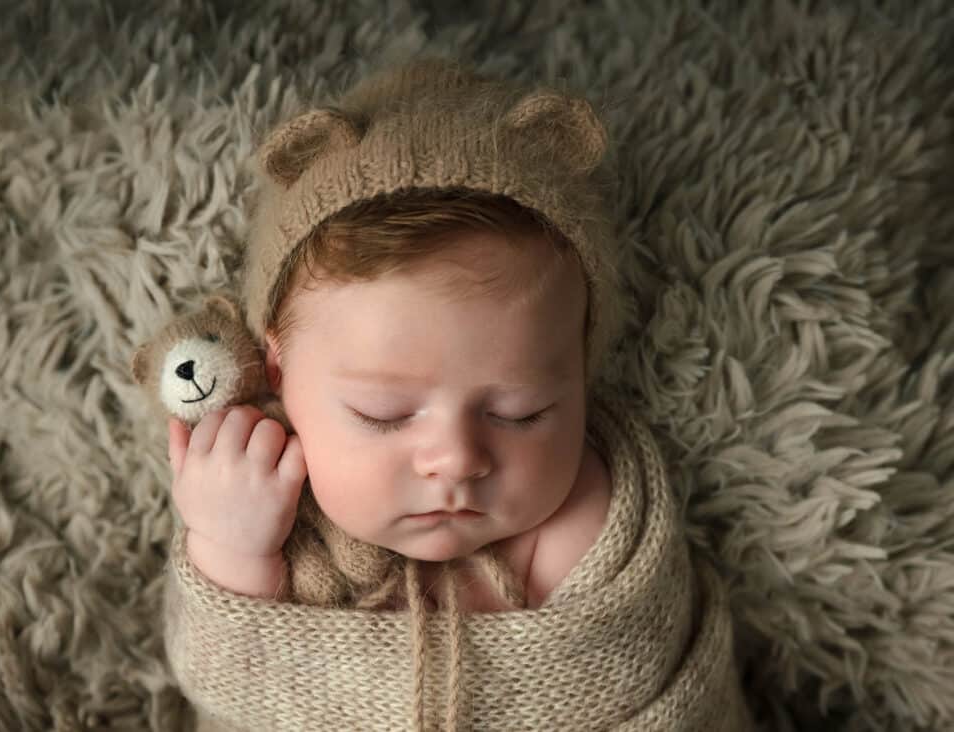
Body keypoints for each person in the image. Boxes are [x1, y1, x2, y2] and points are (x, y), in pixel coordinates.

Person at [162, 57, 751, 731]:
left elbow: (627, 669)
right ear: (276, 369)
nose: (457, 458)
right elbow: (230, 671)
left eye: (519, 412)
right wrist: (233, 545)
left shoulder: (581, 520)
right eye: (382, 415)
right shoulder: (272, 512)